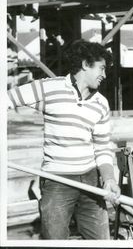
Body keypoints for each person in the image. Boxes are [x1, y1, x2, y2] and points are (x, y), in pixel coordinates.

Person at [7, 40, 121, 239]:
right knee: (55, 240)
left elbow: (102, 147)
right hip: (56, 181)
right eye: (102, 68)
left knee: (101, 241)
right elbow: (6, 99)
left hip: (90, 179)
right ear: (86, 64)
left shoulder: (101, 103)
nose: (105, 74)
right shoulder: (49, 88)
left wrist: (109, 178)